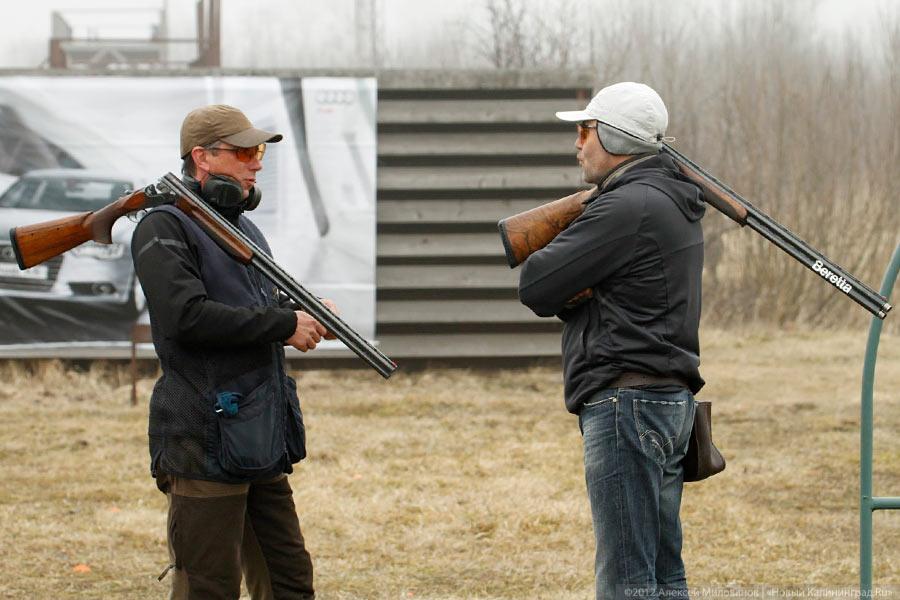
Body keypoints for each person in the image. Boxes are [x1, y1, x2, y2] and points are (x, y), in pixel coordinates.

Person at [131, 104, 330, 599]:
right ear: (202, 157)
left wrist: (300, 309)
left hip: (259, 432)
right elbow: (187, 316)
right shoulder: (163, 227)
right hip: (202, 433)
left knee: (289, 581)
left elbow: (248, 307)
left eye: (258, 150)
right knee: (209, 587)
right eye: (244, 151)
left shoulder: (241, 227)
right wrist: (283, 324)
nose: (257, 162)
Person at [517, 82, 706, 599]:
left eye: (586, 130)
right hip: (666, 403)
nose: (577, 143)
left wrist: (576, 292)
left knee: (626, 581)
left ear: (616, 139)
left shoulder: (627, 206)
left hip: (627, 406)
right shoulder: (669, 199)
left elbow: (535, 284)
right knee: (664, 577)